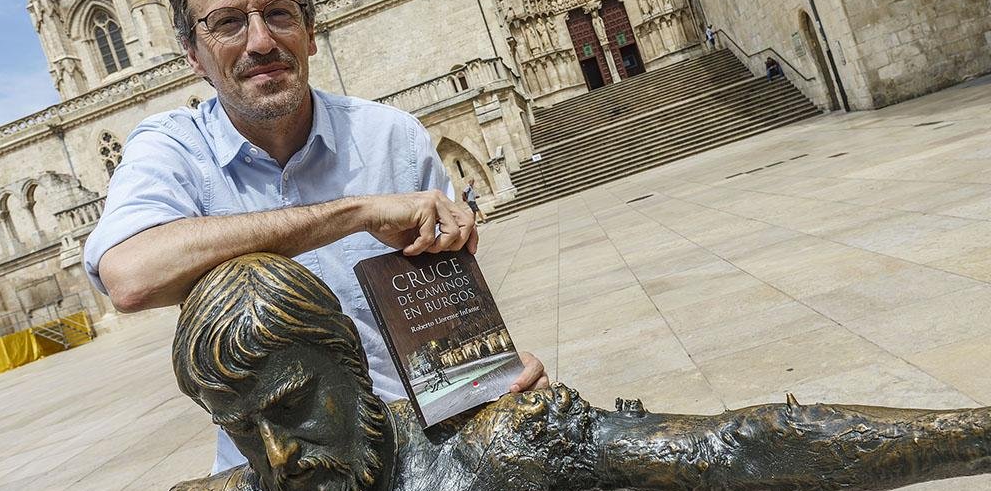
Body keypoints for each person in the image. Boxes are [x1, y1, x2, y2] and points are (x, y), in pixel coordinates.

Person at [83, 0, 548, 473]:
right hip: (284, 470)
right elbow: (129, 277)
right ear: (194, 55)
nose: (260, 42)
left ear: (310, 31)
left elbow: (446, 319)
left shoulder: (391, 138)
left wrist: (493, 379)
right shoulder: (173, 148)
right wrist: (356, 212)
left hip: (422, 452)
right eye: (228, 23)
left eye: (279, 15)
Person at [172, 253, 991, 491]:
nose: (275, 455)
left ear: (350, 363)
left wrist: (975, 435)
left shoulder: (497, 452)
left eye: (292, 405)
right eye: (242, 429)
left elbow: (740, 449)